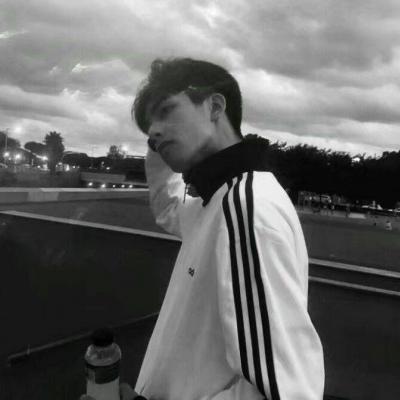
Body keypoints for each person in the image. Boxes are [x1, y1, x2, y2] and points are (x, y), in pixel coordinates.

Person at [86, 58, 325, 399]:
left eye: (166, 110)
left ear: (214, 107)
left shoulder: (245, 209)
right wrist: (160, 148)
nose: (153, 132)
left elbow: (289, 392)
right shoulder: (219, 199)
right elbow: (169, 209)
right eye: (149, 128)